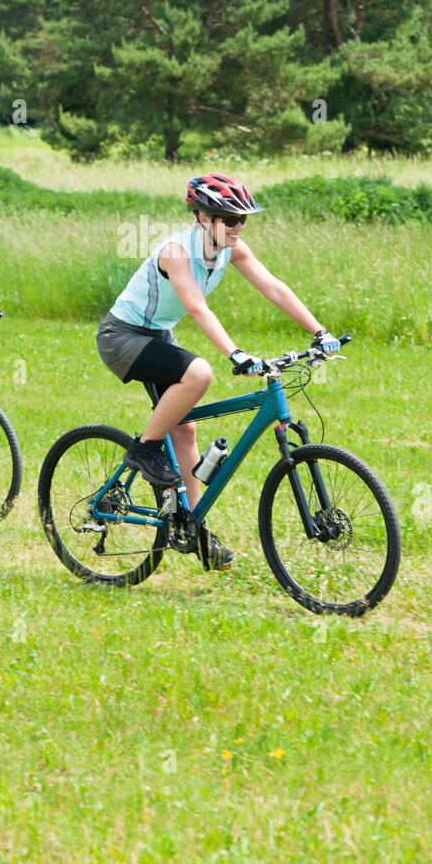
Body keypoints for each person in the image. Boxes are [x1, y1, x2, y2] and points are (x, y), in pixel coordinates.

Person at [96, 173, 341, 570]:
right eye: (229, 219)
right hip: (122, 336)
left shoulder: (232, 249)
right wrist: (235, 353)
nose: (237, 227)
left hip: (157, 334)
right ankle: (142, 450)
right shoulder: (177, 251)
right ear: (203, 218)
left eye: (242, 219)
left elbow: (273, 287)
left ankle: (193, 529)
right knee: (199, 374)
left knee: (185, 428)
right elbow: (196, 307)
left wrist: (319, 331)